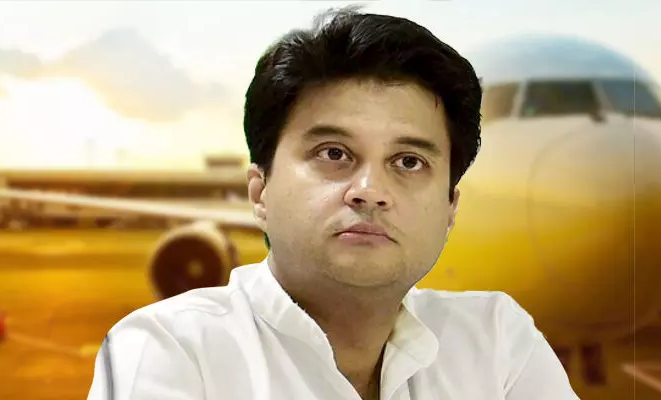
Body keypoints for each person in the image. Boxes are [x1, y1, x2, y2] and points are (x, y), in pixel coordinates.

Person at [87, 6, 580, 400]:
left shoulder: (497, 340)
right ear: (260, 191)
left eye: (408, 162)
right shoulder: (166, 350)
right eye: (334, 154)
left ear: (450, 207)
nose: (370, 189)